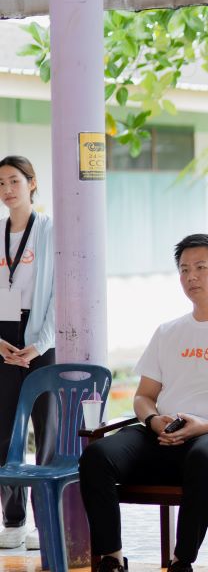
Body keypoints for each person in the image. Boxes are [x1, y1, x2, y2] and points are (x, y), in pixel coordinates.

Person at [78, 234, 208, 572]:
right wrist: (153, 420)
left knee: (202, 457)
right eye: (184, 270)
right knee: (96, 456)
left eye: (201, 268)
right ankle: (112, 558)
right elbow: (144, 396)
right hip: (161, 434)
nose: (191, 277)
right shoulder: (168, 331)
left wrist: (205, 427)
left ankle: (181, 561)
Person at [0, 155, 56, 552]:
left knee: (46, 429)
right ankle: (14, 519)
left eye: (14, 181)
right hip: (3, 335)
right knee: (5, 432)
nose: (7, 190)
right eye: (1, 183)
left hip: (40, 336)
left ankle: (46, 518)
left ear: (32, 183)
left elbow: (59, 291)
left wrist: (42, 342)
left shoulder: (49, 230)